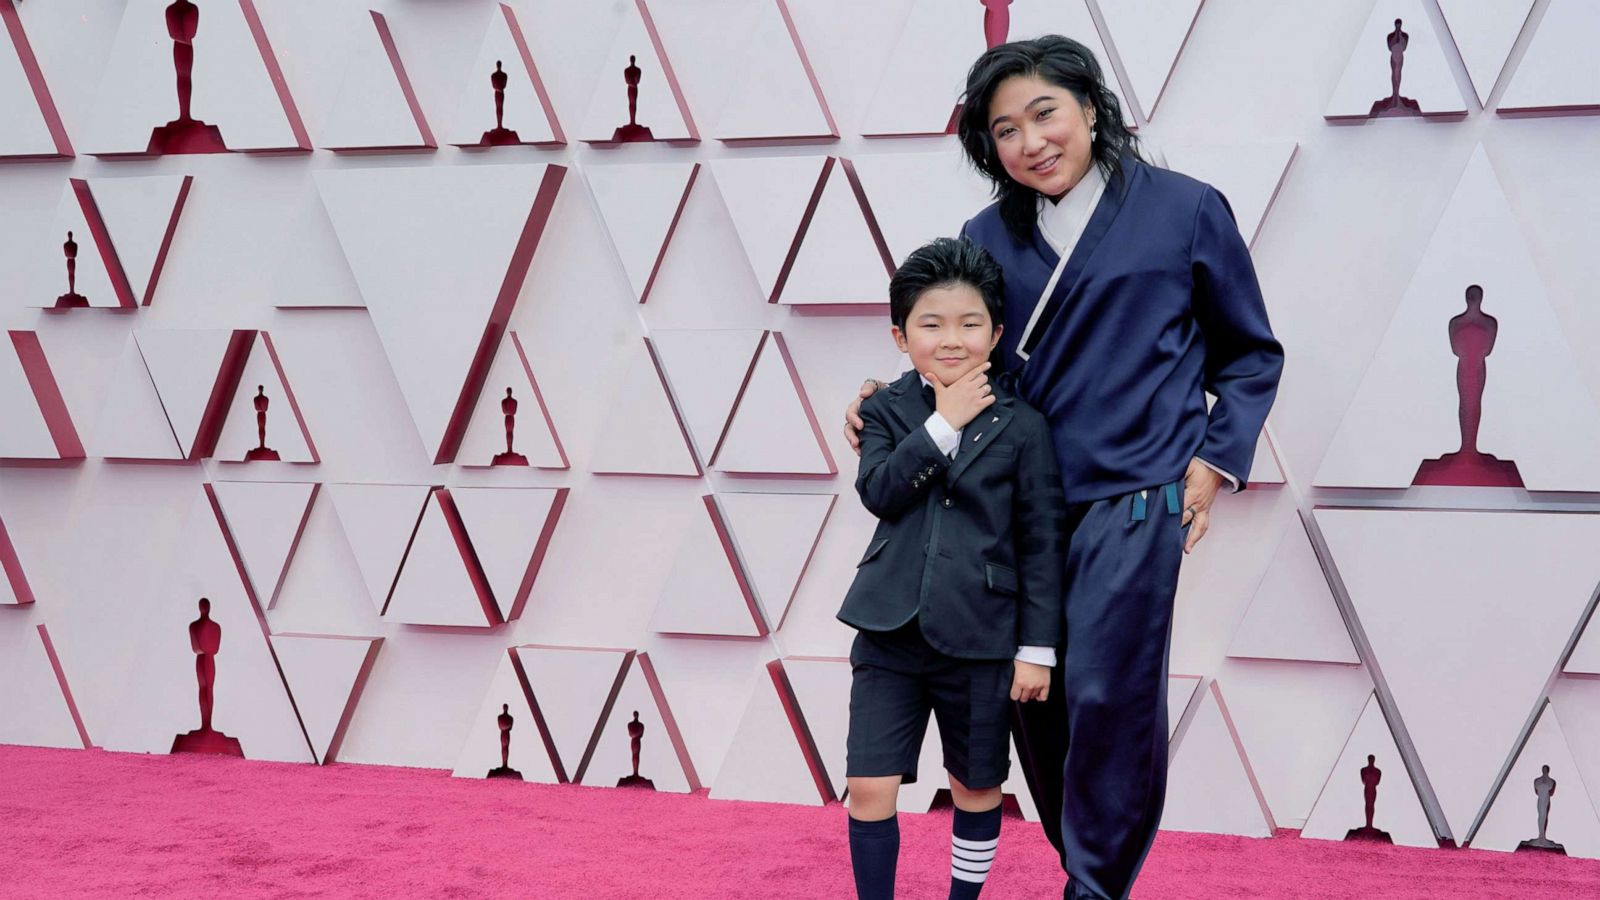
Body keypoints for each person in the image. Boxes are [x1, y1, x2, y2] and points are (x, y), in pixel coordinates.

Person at [845, 36, 1283, 900]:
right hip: (1010, 508)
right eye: (1004, 130)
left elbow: (1250, 354)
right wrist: (888, 393)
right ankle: (1081, 863)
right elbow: (960, 347)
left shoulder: (1187, 210)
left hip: (1134, 494)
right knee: (1033, 700)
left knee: (1109, 695)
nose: (1030, 142)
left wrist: (1213, 463)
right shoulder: (984, 236)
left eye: (1045, 113)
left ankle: (1094, 884)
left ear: (1091, 106)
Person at [840, 237, 1067, 899]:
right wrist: (943, 425)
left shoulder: (1026, 427)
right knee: (868, 783)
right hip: (887, 628)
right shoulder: (882, 410)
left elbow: (1041, 542)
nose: (951, 339)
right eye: (930, 325)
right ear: (899, 335)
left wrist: (1036, 650)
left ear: (996, 334)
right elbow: (880, 491)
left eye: (970, 324)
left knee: (977, 783)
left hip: (983, 635)